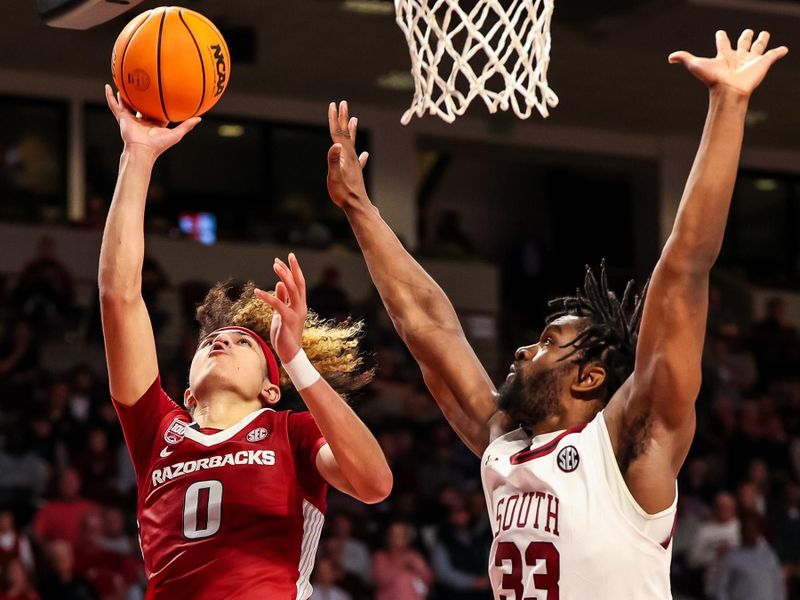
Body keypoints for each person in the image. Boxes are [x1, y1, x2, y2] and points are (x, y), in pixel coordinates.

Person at [325, 29, 787, 598]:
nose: (522, 350)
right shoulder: (503, 443)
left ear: (591, 376)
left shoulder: (629, 446)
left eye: (546, 342)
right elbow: (428, 327)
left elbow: (685, 265)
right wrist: (359, 209)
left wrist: (728, 105)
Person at [100, 85, 392, 599]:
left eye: (242, 342)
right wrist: (137, 157)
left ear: (270, 389)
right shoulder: (157, 430)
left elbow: (374, 484)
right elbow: (119, 296)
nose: (221, 342)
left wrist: (296, 357)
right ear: (187, 392)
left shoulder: (293, 433)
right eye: (212, 339)